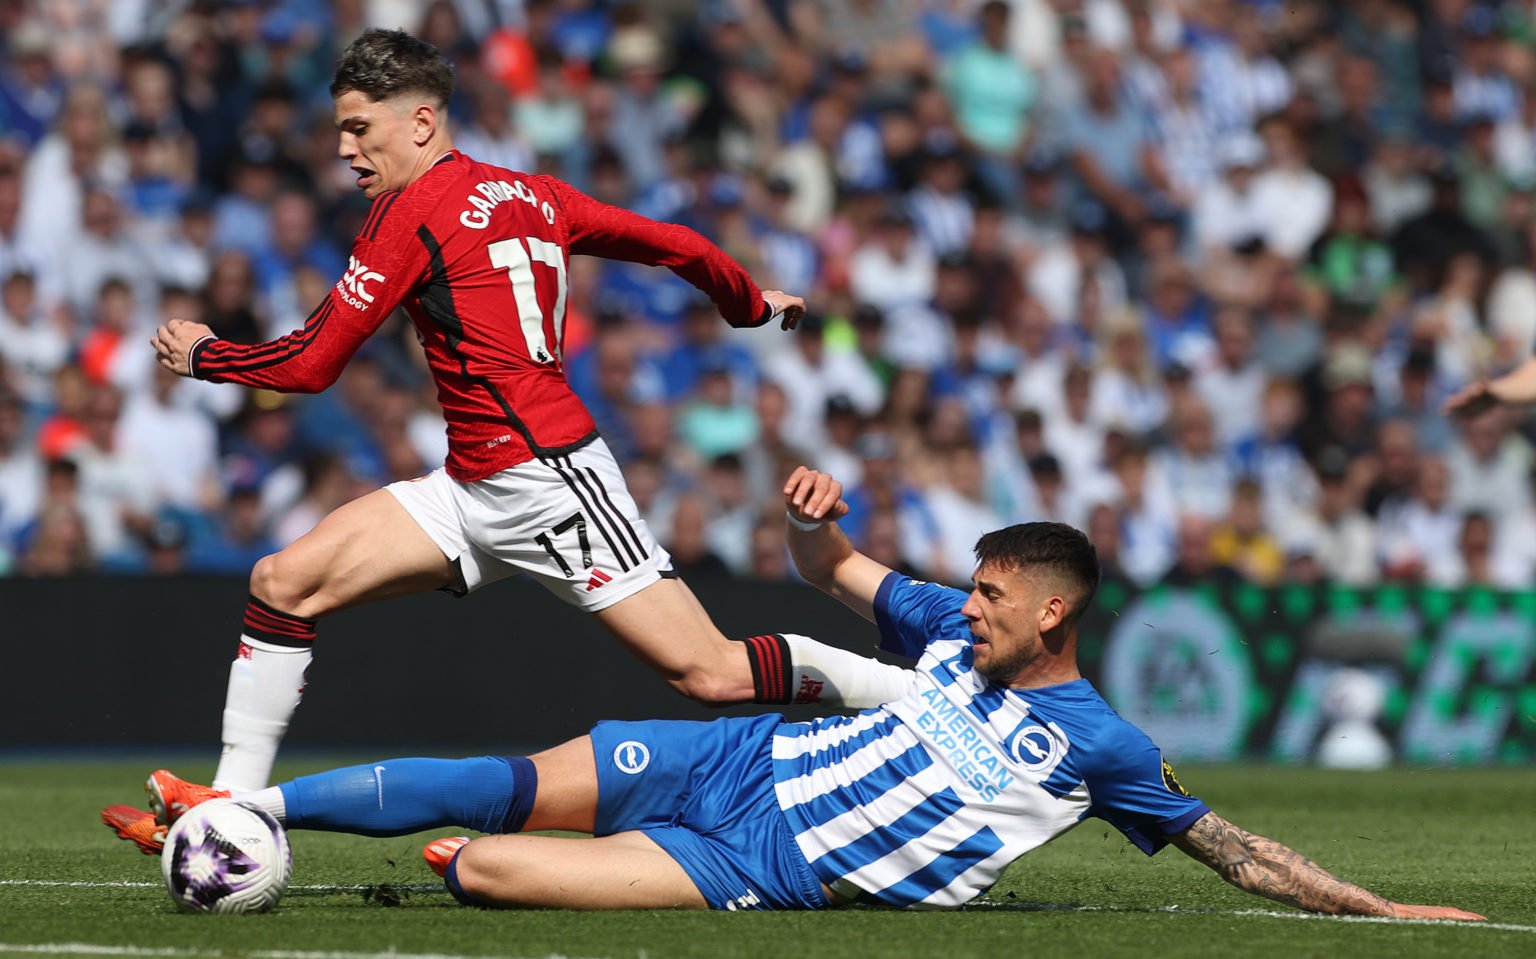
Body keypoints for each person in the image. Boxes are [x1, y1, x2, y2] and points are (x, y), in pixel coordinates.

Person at [113, 29, 910, 828]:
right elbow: (677, 243)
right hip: (470, 485)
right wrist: (748, 302)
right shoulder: (534, 193)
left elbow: (312, 364)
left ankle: (913, 692)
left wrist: (208, 354)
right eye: (340, 131)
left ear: (421, 123)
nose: (346, 150)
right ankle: (225, 804)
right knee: (283, 582)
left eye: (360, 128)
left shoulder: (411, 211)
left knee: (710, 673)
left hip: (550, 480)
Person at [107, 468, 1484, 922]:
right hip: (736, 759)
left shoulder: (1099, 742)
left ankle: (298, 829)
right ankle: (238, 805)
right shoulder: (949, 621)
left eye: (996, 591)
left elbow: (1226, 843)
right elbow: (831, 567)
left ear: (1052, 610)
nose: (970, 600)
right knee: (505, 776)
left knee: (485, 873)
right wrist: (814, 521)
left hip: (760, 858)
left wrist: (1380, 905)